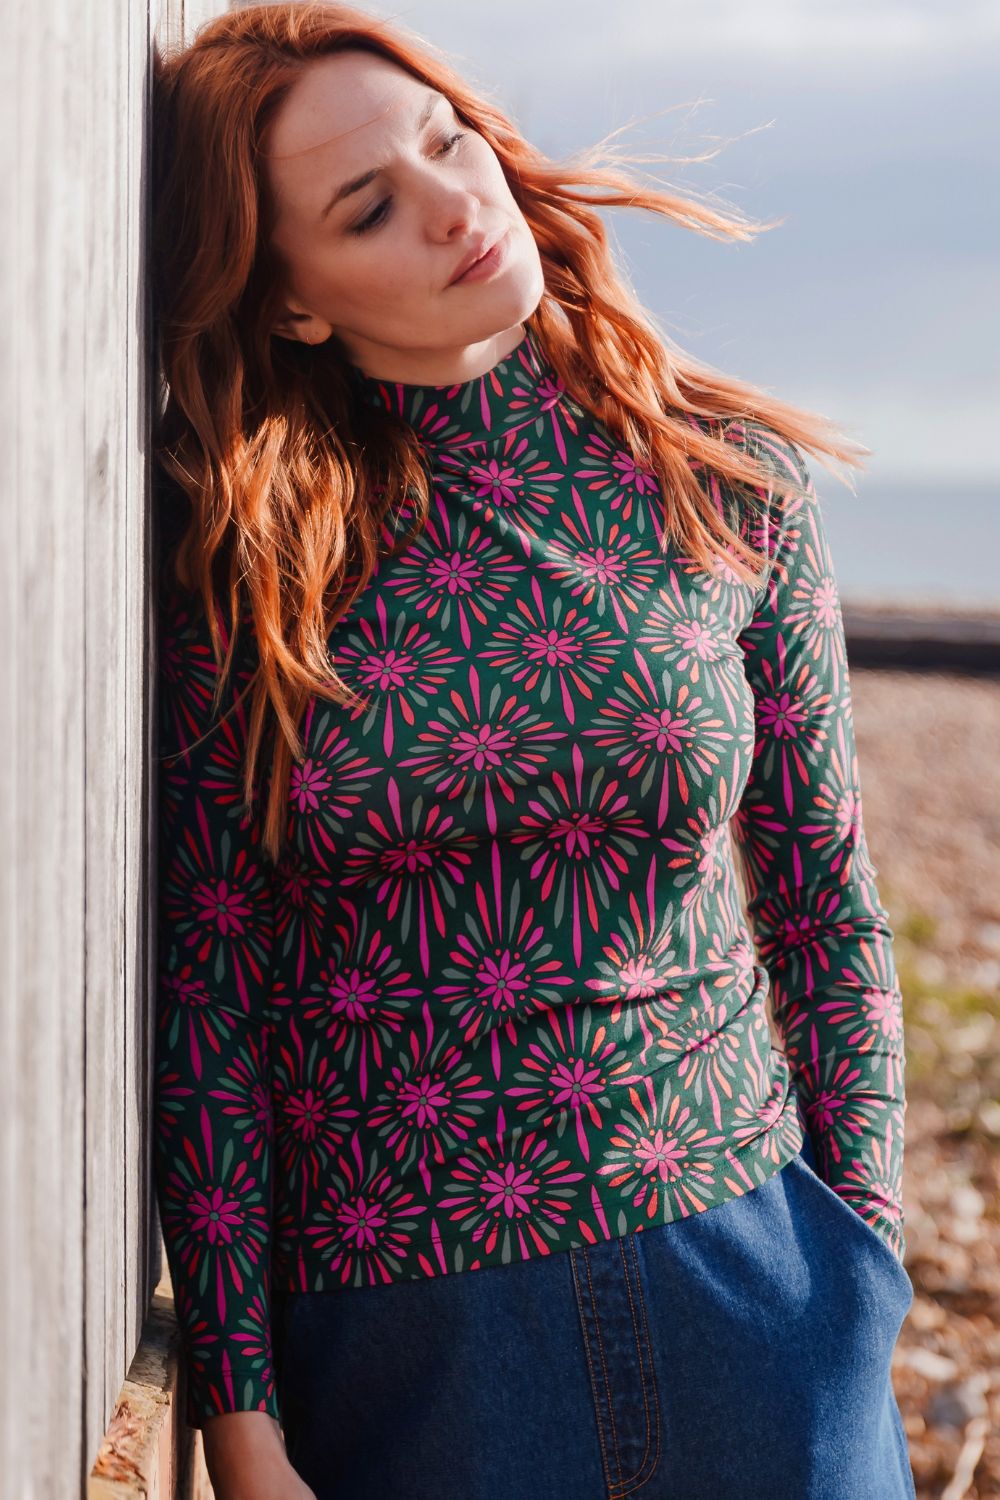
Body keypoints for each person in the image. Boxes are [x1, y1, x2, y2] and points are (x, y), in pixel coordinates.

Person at [150, 5, 916, 1498]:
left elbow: (824, 898)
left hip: (753, 1284)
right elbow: (210, 982)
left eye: (447, 142)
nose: (451, 204)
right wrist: (242, 1416)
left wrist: (861, 1257)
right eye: (369, 206)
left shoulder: (724, 483)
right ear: (294, 300)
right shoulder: (243, 564)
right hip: (410, 1343)